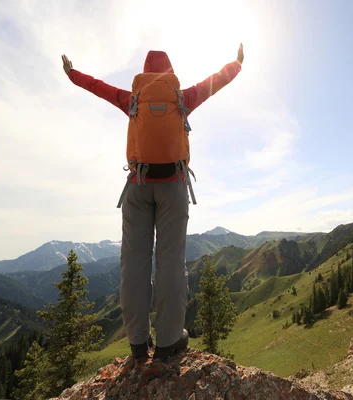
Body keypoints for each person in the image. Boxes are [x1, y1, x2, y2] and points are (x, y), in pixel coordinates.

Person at [61, 44, 244, 361]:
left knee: (133, 262)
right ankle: (169, 340)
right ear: (170, 73)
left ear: (143, 73)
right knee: (171, 261)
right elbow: (215, 81)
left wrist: (72, 74)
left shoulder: (131, 99)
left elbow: (98, 87)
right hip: (173, 185)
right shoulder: (182, 97)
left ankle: (137, 340)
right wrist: (237, 64)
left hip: (138, 184)